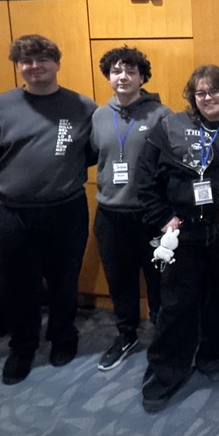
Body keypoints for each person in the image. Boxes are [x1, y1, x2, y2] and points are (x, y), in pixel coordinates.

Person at [0, 34, 98, 385]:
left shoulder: (83, 107)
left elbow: (91, 154)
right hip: (10, 213)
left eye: (42, 59)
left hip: (65, 209)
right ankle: (22, 347)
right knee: (15, 286)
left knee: (63, 280)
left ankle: (62, 337)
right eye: (26, 61)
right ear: (18, 66)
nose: (35, 66)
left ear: (57, 63)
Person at [137, 65, 219, 412]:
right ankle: (165, 373)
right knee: (176, 305)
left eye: (215, 91)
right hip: (182, 230)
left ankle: (218, 355)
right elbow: (144, 181)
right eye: (201, 92)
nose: (208, 98)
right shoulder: (170, 127)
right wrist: (164, 219)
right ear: (192, 97)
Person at [90, 46, 171, 371]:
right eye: (116, 71)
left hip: (149, 216)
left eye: (130, 71)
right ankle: (126, 334)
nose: (123, 77)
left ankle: (163, 339)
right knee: (119, 280)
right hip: (110, 215)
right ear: (109, 76)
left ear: (142, 78)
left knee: (158, 282)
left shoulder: (160, 114)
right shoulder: (97, 115)